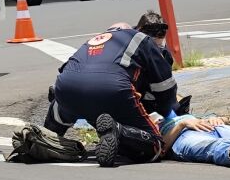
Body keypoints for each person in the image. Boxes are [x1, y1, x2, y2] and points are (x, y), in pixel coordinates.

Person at [44, 13, 178, 167]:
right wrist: (171, 114)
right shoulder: (142, 40)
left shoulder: (95, 41)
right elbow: (166, 93)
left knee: (61, 108)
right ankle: (119, 131)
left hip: (67, 90)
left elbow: (65, 71)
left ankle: (46, 136)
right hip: (112, 91)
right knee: (157, 147)